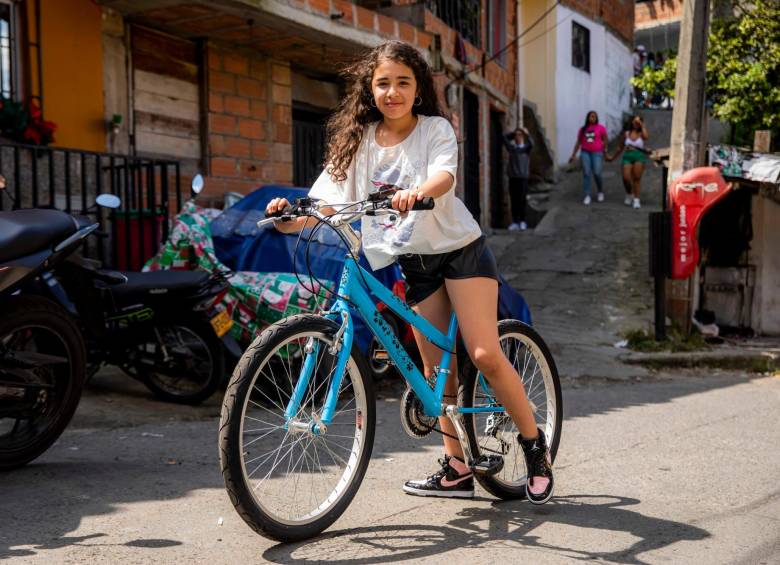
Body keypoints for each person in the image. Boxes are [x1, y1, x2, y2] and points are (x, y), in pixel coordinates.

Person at [265, 40, 554, 504]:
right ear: (370, 90)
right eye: (383, 83)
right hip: (414, 261)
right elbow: (324, 202)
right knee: (436, 368)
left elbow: (444, 177)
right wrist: (287, 215)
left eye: (403, 82)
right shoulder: (358, 141)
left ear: (417, 88)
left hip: (460, 251)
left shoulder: (434, 129)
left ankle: (534, 446)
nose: (393, 92)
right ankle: (458, 467)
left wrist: (416, 191)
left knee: (481, 352)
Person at [606, 115, 649, 209]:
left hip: (639, 157)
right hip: (627, 157)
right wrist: (612, 157)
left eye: (638, 122)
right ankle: (629, 194)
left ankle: (636, 200)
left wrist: (642, 125)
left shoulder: (642, 133)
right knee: (626, 178)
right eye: (635, 121)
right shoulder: (626, 134)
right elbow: (619, 148)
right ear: (632, 122)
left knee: (637, 178)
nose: (636, 123)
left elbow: (646, 137)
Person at [568, 110, 608, 205]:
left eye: (594, 116)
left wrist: (605, 150)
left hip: (597, 153)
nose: (592, 118)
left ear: (596, 118)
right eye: (591, 116)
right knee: (586, 173)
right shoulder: (583, 129)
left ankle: (600, 191)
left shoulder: (600, 128)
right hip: (585, 153)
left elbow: (605, 139)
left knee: (597, 173)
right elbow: (578, 142)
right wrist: (573, 154)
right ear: (588, 118)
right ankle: (587, 195)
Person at [503, 127, 533, 230]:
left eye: (520, 135)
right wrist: (513, 133)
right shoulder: (512, 148)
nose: (518, 137)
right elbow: (503, 137)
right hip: (513, 177)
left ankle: (523, 221)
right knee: (514, 200)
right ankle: (515, 221)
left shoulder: (526, 148)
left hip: (523, 178)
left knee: (522, 200)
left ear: (523, 136)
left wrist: (526, 132)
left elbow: (532, 143)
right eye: (516, 135)